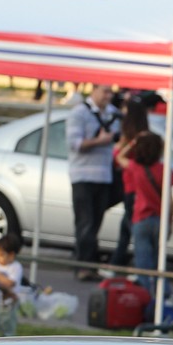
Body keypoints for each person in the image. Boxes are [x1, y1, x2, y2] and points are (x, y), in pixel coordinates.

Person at [66, 83, 120, 279]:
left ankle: (87, 263)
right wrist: (100, 141)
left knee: (95, 223)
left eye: (111, 92)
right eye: (105, 91)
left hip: (104, 176)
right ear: (94, 90)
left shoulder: (113, 113)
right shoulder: (79, 113)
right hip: (83, 175)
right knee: (85, 222)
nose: (109, 96)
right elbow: (74, 144)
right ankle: (83, 267)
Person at [120, 132, 173, 291]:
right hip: (160, 220)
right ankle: (163, 297)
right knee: (160, 265)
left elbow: (119, 157)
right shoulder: (164, 170)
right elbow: (170, 202)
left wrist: (133, 142)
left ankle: (146, 298)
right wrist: (170, 222)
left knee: (143, 264)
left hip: (141, 219)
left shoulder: (136, 168)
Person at [107, 97, 149, 269]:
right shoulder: (137, 137)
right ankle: (117, 261)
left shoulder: (136, 139)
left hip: (133, 187)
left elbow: (118, 158)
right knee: (126, 227)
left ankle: (127, 263)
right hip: (131, 186)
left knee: (131, 227)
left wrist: (123, 145)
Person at [0, 231, 23, 335]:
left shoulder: (16, 267)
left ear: (11, 255)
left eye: (0, 255)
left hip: (9, 304)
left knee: (7, 326)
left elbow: (11, 283)